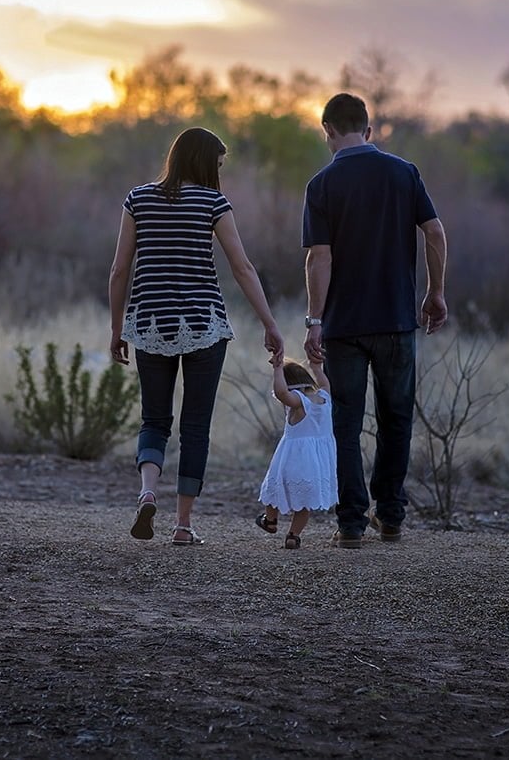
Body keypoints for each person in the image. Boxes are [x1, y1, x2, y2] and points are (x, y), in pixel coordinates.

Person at [109, 126, 284, 546]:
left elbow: (119, 270)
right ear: (205, 162)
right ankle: (183, 525)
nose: (219, 173)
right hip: (204, 324)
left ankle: (148, 490)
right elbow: (242, 268)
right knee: (196, 425)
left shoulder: (138, 199)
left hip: (149, 324)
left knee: (154, 419)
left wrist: (118, 329)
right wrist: (269, 323)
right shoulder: (213, 202)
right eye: (218, 164)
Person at [302, 92, 449, 549]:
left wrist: (314, 320)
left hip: (345, 326)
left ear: (327, 131)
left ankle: (350, 524)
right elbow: (435, 232)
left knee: (345, 424)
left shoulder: (321, 185)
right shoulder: (404, 173)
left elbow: (318, 259)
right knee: (396, 419)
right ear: (369, 129)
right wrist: (435, 292)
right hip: (397, 320)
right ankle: (391, 517)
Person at [255, 357, 337, 549]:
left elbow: (281, 392)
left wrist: (277, 370)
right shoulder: (325, 397)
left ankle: (271, 520)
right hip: (316, 462)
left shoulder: (298, 402)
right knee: (304, 502)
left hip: (293, 458)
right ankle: (293, 535)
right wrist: (316, 367)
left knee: (274, 488)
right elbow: (324, 382)